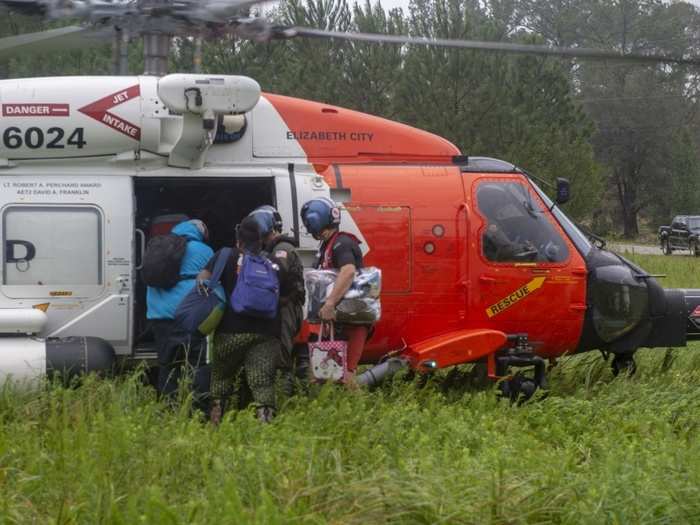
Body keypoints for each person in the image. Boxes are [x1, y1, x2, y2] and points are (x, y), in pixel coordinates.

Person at [198, 216, 281, 424]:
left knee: (221, 378)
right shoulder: (273, 263)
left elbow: (202, 279)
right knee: (262, 383)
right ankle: (266, 427)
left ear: (239, 240)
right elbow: (286, 295)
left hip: (229, 331)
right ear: (261, 240)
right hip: (266, 333)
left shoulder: (224, 256)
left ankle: (216, 424)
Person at [300, 197, 369, 384]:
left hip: (350, 322)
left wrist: (330, 303)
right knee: (323, 373)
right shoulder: (327, 246)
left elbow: (348, 271)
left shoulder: (342, 244)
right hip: (335, 321)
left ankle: (360, 412)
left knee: (346, 374)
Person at [147, 219, 213, 399]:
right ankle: (197, 407)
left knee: (166, 364)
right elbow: (214, 281)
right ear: (200, 233)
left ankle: (168, 407)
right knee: (196, 364)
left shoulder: (158, 248)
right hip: (189, 315)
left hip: (158, 314)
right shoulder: (204, 251)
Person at [247, 205, 305, 395]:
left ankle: (283, 398)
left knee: (281, 354)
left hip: (286, 308)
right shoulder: (272, 250)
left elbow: (278, 272)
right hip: (280, 308)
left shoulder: (282, 248)